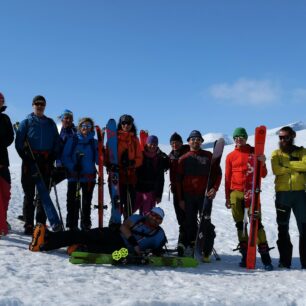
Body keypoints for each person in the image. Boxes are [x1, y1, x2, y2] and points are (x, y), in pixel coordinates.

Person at [225, 127, 273, 270]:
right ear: (234, 139)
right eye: (236, 137)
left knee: (256, 223)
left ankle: (265, 258)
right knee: (241, 225)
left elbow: (263, 174)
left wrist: (263, 162)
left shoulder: (254, 152)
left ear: (246, 138)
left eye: (242, 137)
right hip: (236, 192)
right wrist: (227, 197)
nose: (239, 139)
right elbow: (227, 178)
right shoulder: (230, 156)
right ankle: (245, 256)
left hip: (252, 192)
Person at [29, 207, 167, 256]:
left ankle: (81, 249)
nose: (155, 219)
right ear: (148, 214)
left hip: (126, 252)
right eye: (153, 215)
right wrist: (134, 243)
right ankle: (46, 239)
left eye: (158, 219)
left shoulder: (159, 235)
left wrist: (153, 252)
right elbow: (124, 227)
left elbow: (158, 250)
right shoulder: (138, 218)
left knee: (113, 255)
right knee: (84, 234)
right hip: (115, 235)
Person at [15, 95, 61, 235]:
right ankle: (29, 224)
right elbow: (19, 143)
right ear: (33, 105)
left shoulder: (50, 123)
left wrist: (52, 157)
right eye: (37, 104)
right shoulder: (26, 122)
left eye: (42, 104)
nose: (39, 106)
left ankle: (40, 224)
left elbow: (56, 142)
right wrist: (26, 157)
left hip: (45, 162)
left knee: (43, 195)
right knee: (29, 194)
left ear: (45, 106)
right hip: (30, 161)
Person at [177, 130, 222, 257]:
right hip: (188, 196)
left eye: (198, 139)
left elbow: (218, 174)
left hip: (204, 196)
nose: (195, 141)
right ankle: (192, 244)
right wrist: (180, 199)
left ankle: (205, 247)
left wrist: (215, 188)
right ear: (188, 141)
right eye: (193, 139)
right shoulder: (183, 159)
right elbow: (178, 181)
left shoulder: (208, 156)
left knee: (205, 222)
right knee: (190, 222)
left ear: (201, 141)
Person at [271, 126, 306, 269]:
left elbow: (305, 165)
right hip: (282, 195)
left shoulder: (302, 151)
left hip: (300, 195)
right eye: (280, 137)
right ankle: (285, 261)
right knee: (282, 228)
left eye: (286, 137)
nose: (283, 140)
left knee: (304, 228)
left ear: (292, 136)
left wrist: (287, 164)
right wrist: (296, 166)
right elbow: (276, 169)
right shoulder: (276, 153)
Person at [62, 117, 98, 231]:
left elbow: (98, 160)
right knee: (72, 203)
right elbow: (65, 156)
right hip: (74, 177)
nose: (85, 128)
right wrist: (73, 166)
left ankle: (85, 225)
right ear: (79, 127)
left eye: (88, 126)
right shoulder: (72, 140)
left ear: (91, 128)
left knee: (86, 204)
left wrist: (102, 150)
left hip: (89, 178)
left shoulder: (94, 142)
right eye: (83, 126)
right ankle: (72, 225)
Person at [105, 114, 143, 223]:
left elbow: (140, 158)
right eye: (124, 123)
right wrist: (109, 164)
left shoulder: (134, 140)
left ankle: (128, 226)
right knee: (117, 203)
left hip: (130, 177)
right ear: (120, 124)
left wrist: (132, 163)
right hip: (116, 177)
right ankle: (115, 224)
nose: (126, 125)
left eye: (128, 123)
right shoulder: (114, 139)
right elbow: (108, 154)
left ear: (132, 125)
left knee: (129, 205)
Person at [135, 135, 169, 215]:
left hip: (150, 192)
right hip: (137, 190)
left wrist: (159, 195)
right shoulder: (140, 155)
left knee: (147, 215)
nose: (153, 146)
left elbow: (160, 179)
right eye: (151, 143)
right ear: (147, 144)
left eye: (155, 144)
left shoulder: (159, 158)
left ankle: (144, 227)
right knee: (129, 211)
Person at [168, 132, 189, 248]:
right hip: (176, 190)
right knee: (180, 216)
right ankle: (183, 240)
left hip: (188, 189)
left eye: (176, 142)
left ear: (181, 143)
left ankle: (188, 239)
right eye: (172, 143)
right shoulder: (171, 156)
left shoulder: (188, 153)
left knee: (188, 215)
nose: (174, 144)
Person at [0, 92, 14, 236]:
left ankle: (3, 219)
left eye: (1, 100)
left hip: (3, 161)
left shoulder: (5, 118)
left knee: (5, 193)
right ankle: (1, 225)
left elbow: (10, 137)